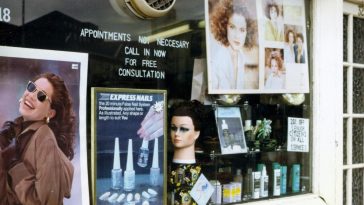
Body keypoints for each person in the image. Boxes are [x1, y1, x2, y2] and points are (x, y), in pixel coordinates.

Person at [0, 73, 75, 205]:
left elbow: (45, 201)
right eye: (31, 87)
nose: (31, 95)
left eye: (41, 96)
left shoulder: (44, 137)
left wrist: (14, 164)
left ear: (50, 113)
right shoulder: (16, 132)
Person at [209, 0, 258, 90]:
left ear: (247, 32)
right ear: (224, 27)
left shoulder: (241, 57)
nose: (237, 35)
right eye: (232, 27)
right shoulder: (217, 59)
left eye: (242, 30)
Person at [168, 100, 207, 205]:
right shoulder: (165, 168)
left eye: (184, 129)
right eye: (173, 128)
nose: (176, 134)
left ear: (196, 133)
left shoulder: (199, 173)